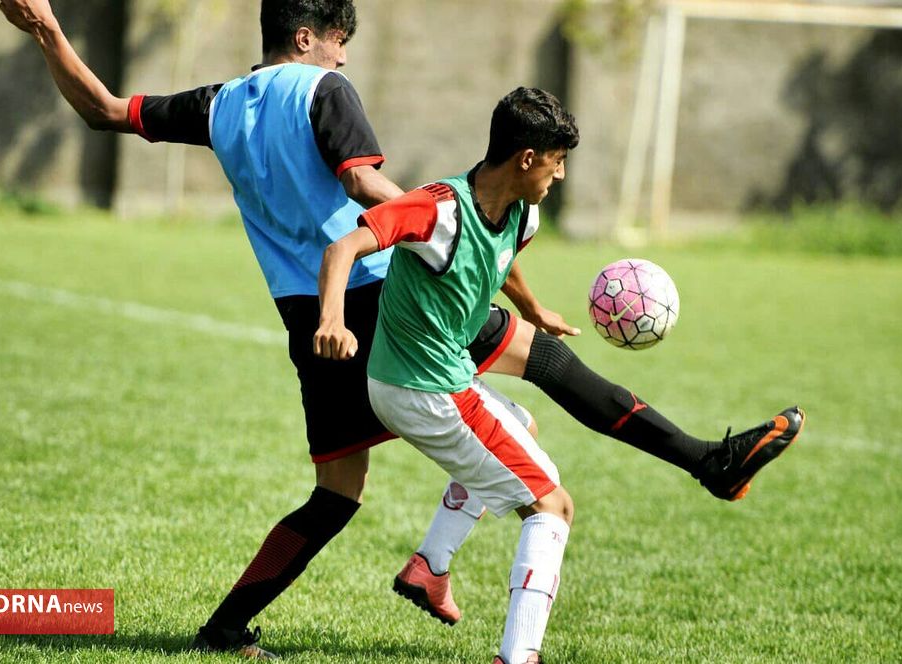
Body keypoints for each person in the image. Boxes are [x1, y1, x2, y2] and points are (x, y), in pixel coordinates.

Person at [0, 0, 805, 657]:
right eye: (339, 41)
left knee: (337, 493)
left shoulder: (220, 103)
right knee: (552, 373)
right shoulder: (322, 90)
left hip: (309, 317)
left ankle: (232, 625)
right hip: (383, 292)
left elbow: (104, 110)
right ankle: (706, 463)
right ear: (308, 38)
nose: (345, 58)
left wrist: (47, 28)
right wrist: (440, 216)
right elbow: (361, 183)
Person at [314, 87, 805, 664]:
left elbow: (500, 256)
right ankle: (518, 655)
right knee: (553, 507)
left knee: (522, 424)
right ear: (527, 159)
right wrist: (331, 320)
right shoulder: (437, 207)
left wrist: (532, 308)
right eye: (558, 160)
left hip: (428, 378)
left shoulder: (522, 212)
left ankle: (429, 566)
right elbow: (344, 247)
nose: (563, 174)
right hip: (427, 390)